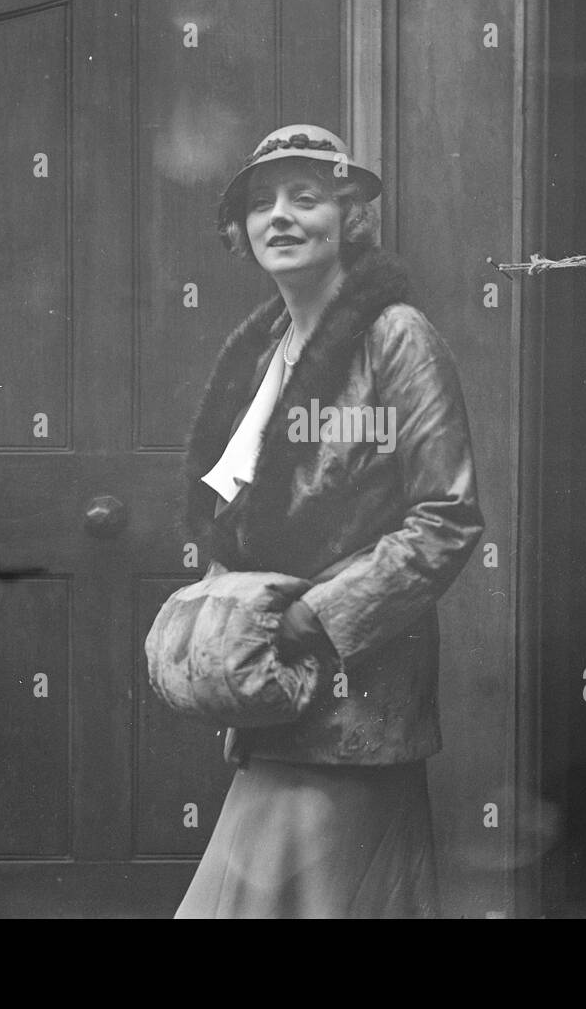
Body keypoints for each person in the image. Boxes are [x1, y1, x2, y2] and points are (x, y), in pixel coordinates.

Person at [174, 123, 483, 918]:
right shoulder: (265, 352)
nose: (279, 216)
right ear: (240, 231)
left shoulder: (397, 338)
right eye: (260, 203)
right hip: (276, 702)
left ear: (349, 218)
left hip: (353, 706)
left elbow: (446, 518)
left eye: (305, 198)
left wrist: (316, 616)